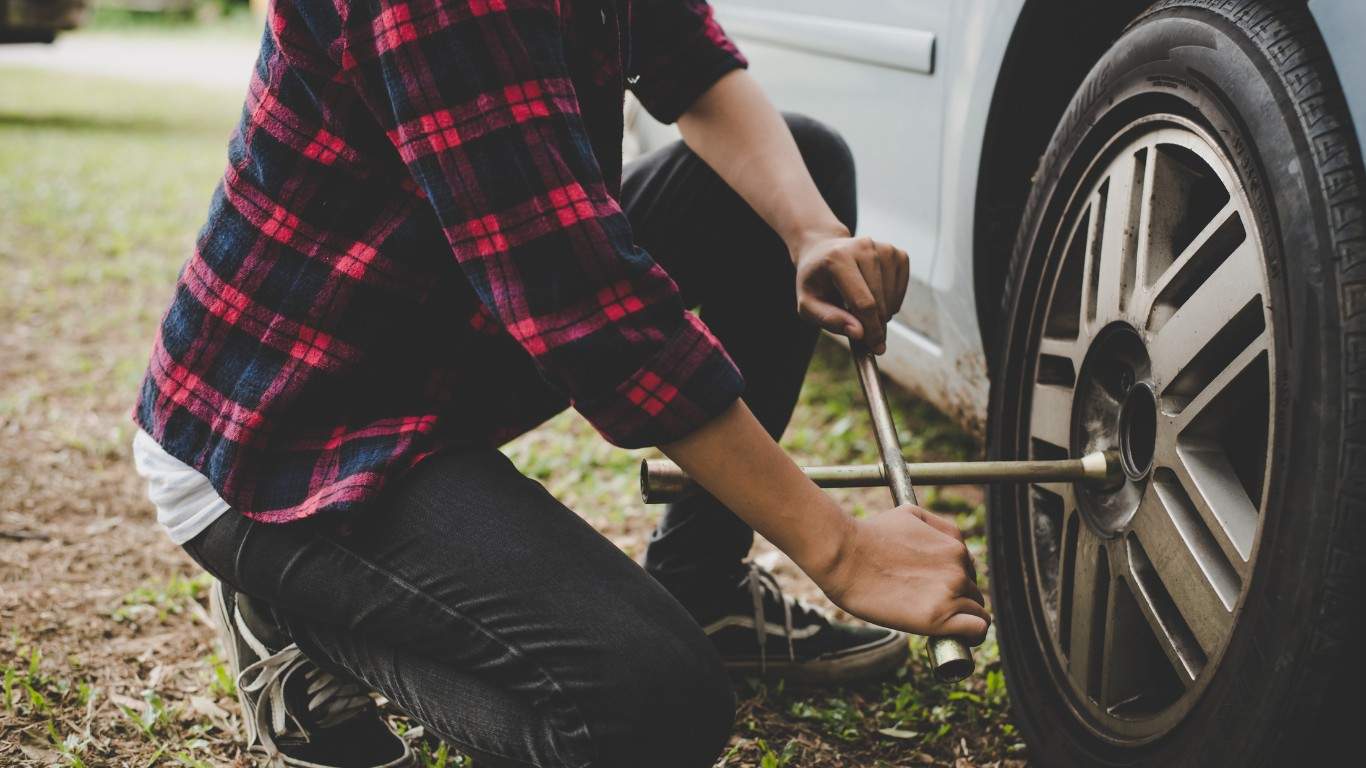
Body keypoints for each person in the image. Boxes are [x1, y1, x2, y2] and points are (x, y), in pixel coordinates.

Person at [130, 1, 991, 766]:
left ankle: (703, 595)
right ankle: (295, 612)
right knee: (654, 710)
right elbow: (593, 317)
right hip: (284, 434)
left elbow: (685, 54)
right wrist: (840, 550)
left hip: (438, 336)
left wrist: (809, 232)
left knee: (795, 169)